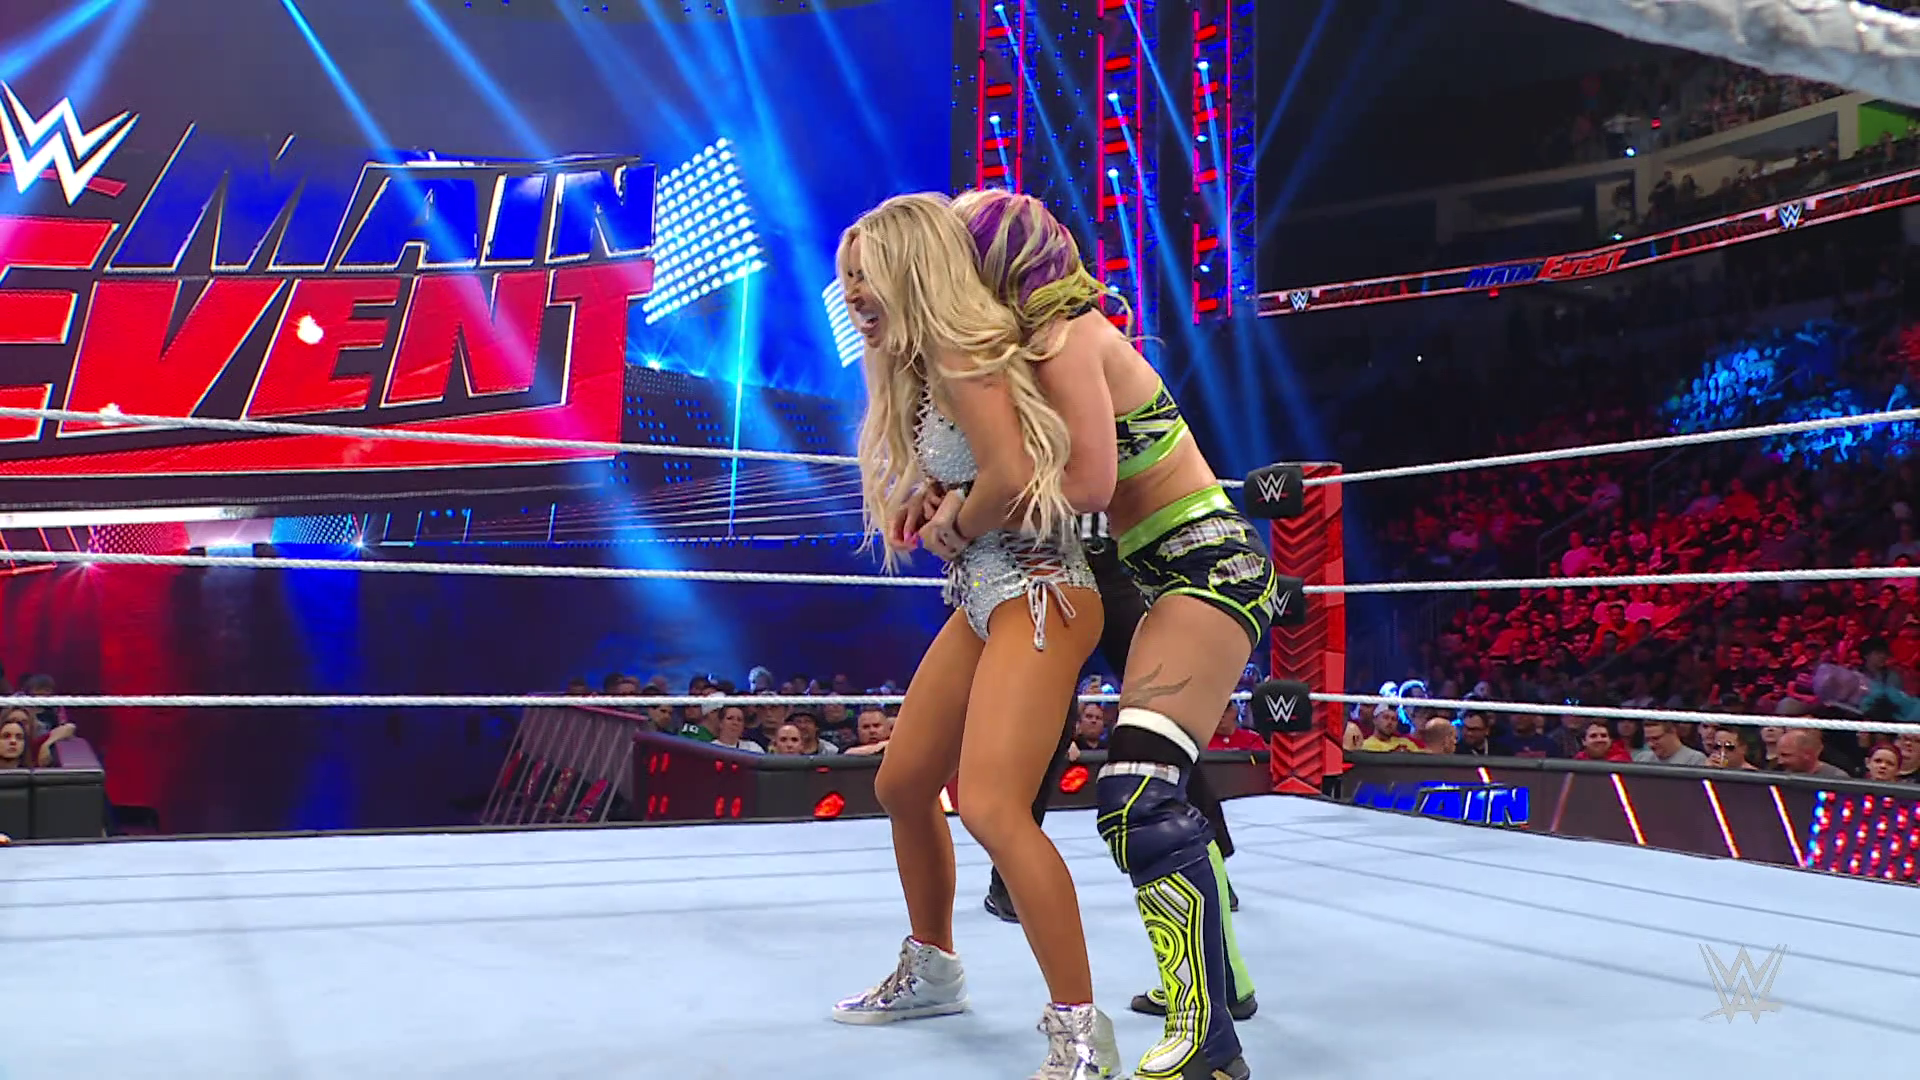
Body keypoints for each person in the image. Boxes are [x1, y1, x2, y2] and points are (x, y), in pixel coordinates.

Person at [938, 188, 1275, 1080]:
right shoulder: (1036, 348)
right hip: (1162, 575)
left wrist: (969, 515)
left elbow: (1087, 486)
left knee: (1137, 797)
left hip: (1205, 564)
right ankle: (1224, 990)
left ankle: (1208, 1043)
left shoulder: (1066, 338)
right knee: (1152, 789)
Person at [827, 193, 1124, 1079]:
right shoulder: (929, 362)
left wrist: (956, 520)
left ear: (913, 270)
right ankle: (933, 968)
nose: (855, 294)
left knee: (993, 808)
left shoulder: (961, 352)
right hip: (987, 595)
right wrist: (934, 500)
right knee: (902, 781)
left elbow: (1018, 471)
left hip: (1041, 592)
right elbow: (981, 469)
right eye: (847, 279)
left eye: (868, 276)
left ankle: (1081, 1031)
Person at [982, 520, 1253, 1033]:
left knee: (1152, 732)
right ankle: (1214, 889)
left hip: (1056, 565)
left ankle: (1010, 882)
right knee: (1161, 730)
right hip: (1089, 562)